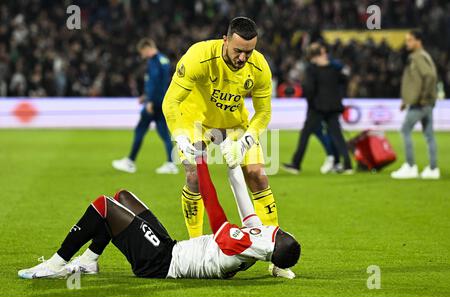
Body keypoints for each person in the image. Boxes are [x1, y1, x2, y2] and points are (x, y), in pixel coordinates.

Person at [18, 155, 300, 280]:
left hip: (160, 263)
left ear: (276, 247)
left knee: (103, 206)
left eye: (285, 237)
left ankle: (56, 264)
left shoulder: (242, 247)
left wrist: (201, 160)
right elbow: (246, 206)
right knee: (122, 196)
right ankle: (90, 262)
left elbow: (216, 214)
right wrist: (233, 164)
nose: (283, 231)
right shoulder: (261, 241)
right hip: (170, 248)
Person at [162, 17, 281, 261]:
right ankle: (195, 244)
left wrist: (245, 142)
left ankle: (276, 251)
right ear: (225, 40)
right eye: (238, 50)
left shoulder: (259, 66)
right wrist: (180, 137)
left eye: (249, 51)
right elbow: (171, 102)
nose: (243, 58)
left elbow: (264, 113)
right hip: (197, 121)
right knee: (194, 175)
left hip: (235, 124)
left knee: (258, 175)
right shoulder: (199, 56)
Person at [281, 42, 353, 175]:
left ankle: (296, 164)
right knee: (337, 136)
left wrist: (310, 101)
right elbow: (344, 80)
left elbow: (309, 89)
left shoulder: (312, 69)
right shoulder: (335, 68)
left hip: (317, 107)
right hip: (333, 107)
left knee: (305, 134)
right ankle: (347, 165)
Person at [112, 38, 178, 174]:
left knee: (140, 130)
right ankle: (171, 163)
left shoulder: (154, 61)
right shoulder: (163, 60)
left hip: (154, 103)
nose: (142, 55)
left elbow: (154, 82)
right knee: (164, 133)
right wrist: (146, 97)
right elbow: (162, 83)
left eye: (142, 52)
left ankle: (130, 161)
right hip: (161, 100)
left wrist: (149, 101)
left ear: (147, 48)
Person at [391, 31, 439, 180]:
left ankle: (410, 166)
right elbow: (418, 81)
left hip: (420, 104)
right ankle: (433, 169)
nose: (407, 43)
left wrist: (423, 98)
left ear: (418, 41)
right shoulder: (424, 55)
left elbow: (429, 76)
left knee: (405, 131)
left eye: (410, 40)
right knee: (429, 136)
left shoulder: (417, 57)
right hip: (425, 103)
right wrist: (406, 100)